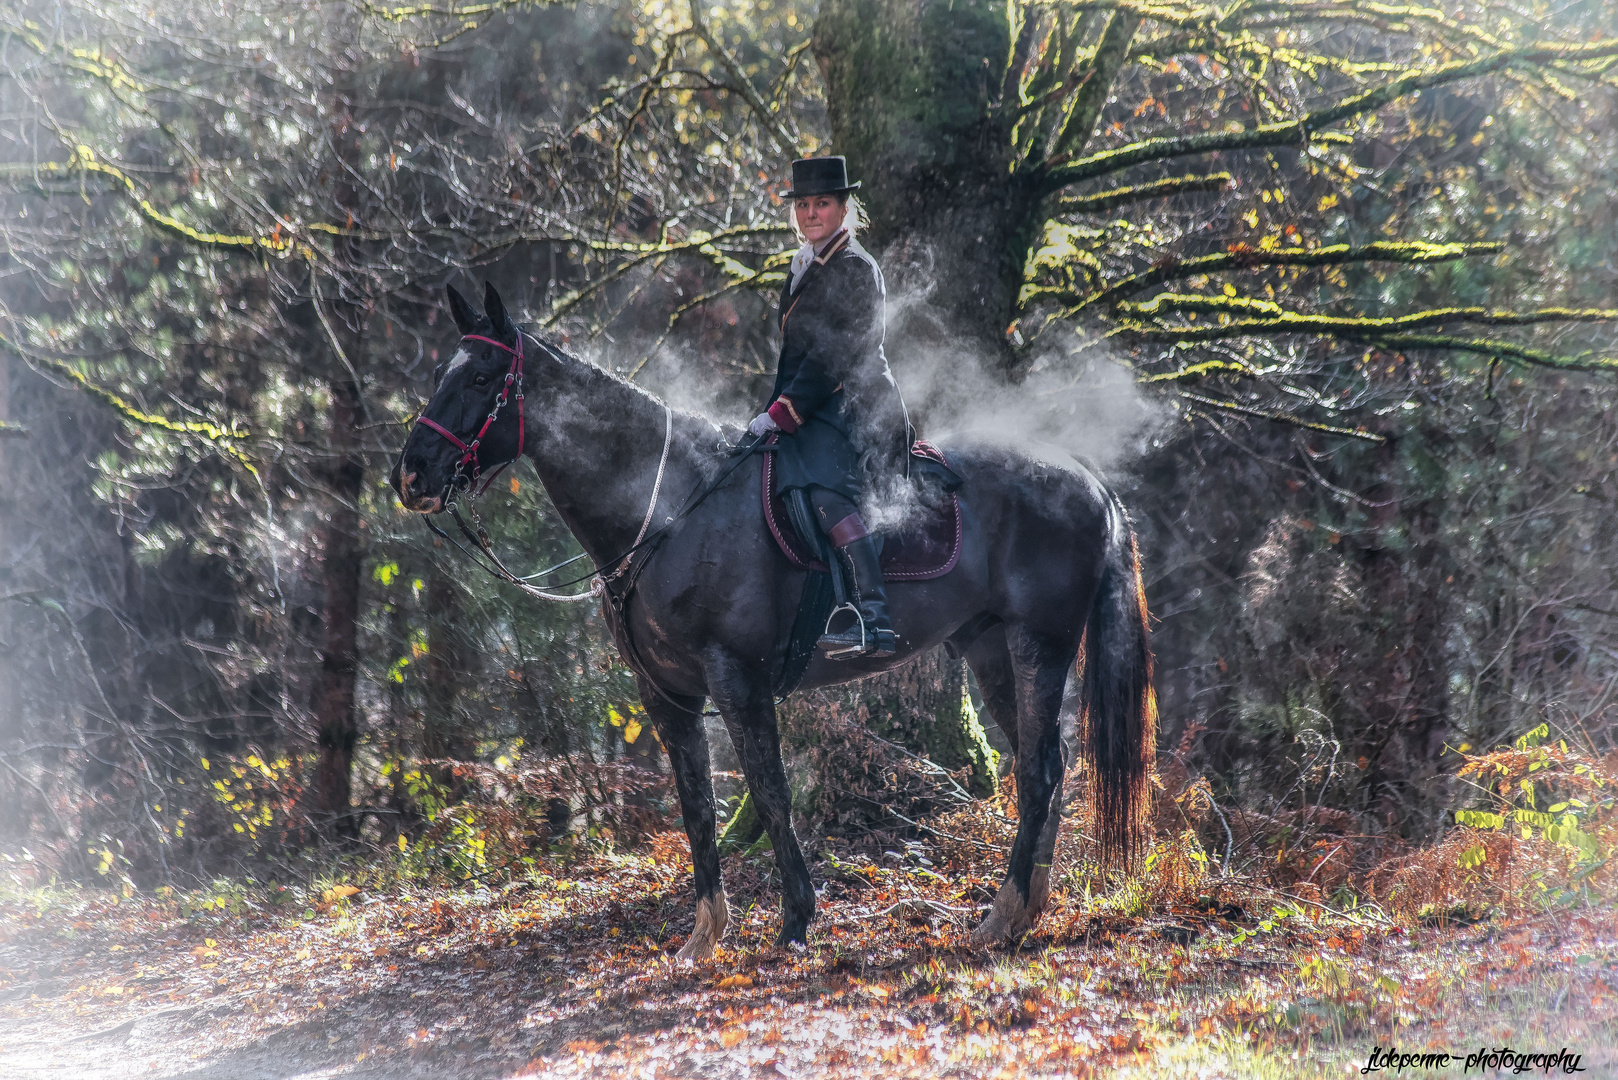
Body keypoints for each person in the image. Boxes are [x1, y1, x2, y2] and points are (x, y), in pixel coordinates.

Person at [748, 156, 910, 659]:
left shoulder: (856, 267)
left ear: (844, 208)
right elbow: (796, 356)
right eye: (803, 204)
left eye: (822, 203)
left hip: (857, 406)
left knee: (825, 490)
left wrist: (783, 412)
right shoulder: (804, 265)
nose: (811, 213)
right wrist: (773, 408)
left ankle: (872, 616)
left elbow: (835, 354)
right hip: (815, 403)